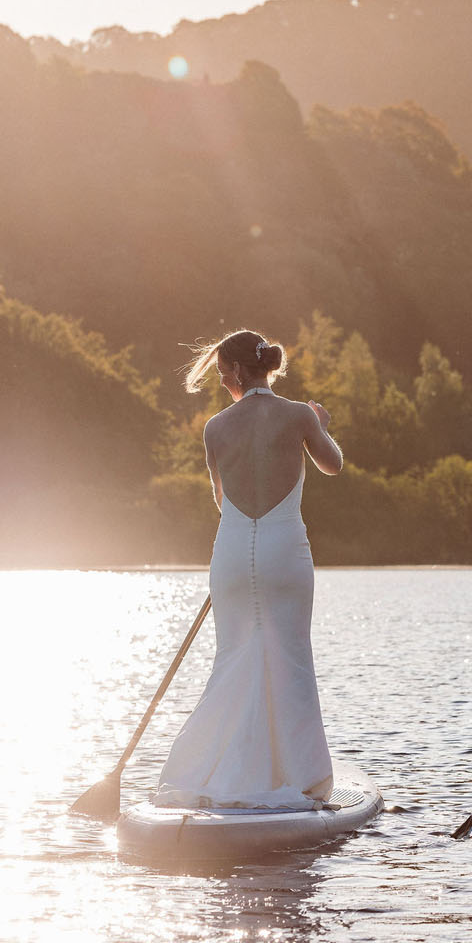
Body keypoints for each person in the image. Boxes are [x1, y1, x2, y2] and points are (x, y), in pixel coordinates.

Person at [153, 329, 344, 809]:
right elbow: (333, 465)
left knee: (235, 654)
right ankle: (300, 778)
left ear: (238, 370)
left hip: (233, 552)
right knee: (290, 657)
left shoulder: (214, 428)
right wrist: (319, 423)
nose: (220, 381)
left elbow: (223, 502)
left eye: (222, 372)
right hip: (284, 552)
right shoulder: (300, 414)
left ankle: (215, 770)